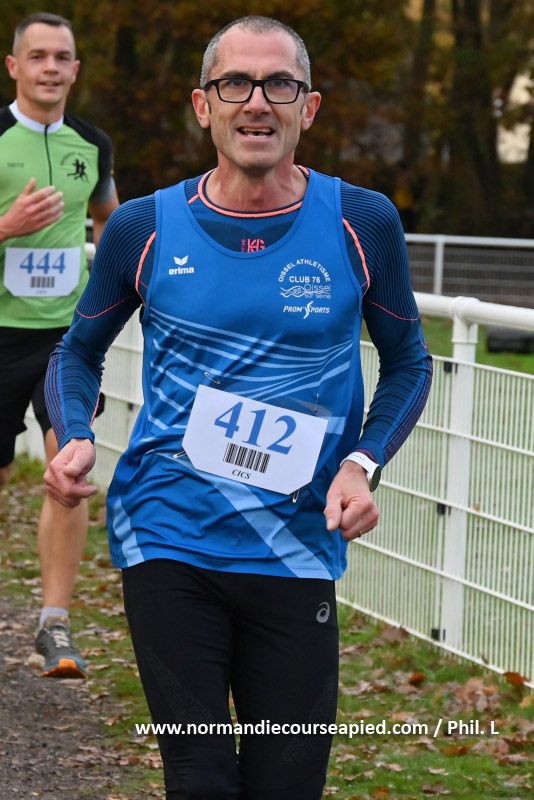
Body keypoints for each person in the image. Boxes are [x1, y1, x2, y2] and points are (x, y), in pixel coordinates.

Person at [44, 15, 432, 798]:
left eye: (279, 84)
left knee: (287, 782)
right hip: (167, 533)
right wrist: (75, 434)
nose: (257, 101)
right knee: (201, 778)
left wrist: (361, 464)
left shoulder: (360, 222)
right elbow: (75, 353)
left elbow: (409, 363)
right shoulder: (144, 227)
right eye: (235, 84)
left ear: (308, 107)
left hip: (295, 543)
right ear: (204, 105)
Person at [0, 13, 119, 679]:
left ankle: (55, 624)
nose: (50, 67)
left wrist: (118, 291)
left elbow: (110, 222)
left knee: (68, 470)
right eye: (37, 55)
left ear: (76, 69)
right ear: (13, 66)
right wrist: (6, 225)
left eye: (62, 56)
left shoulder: (92, 144)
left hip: (64, 340)